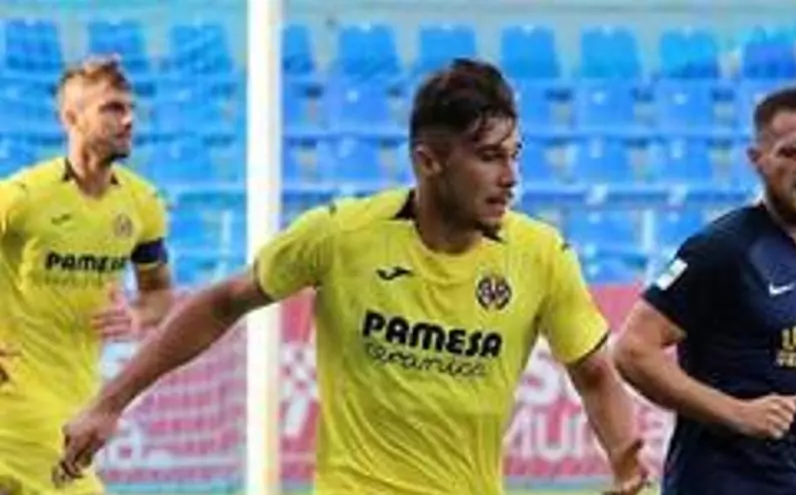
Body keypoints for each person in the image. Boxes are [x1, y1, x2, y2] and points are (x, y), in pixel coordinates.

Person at [56, 58, 649, 494]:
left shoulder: (541, 255)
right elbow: (222, 302)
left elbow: (595, 374)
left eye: (514, 154)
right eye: (489, 157)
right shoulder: (342, 236)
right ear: (429, 161)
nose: (511, 177)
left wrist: (627, 467)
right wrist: (110, 403)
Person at [612, 85, 796, 494]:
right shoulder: (724, 248)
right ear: (757, 160)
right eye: (791, 153)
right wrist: (736, 413)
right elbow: (632, 350)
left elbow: (793, 391)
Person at [0, 57, 175, 494]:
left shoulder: (143, 203)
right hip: (14, 396)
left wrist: (137, 315)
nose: (128, 120)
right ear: (71, 118)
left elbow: (159, 294)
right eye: (112, 108)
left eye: (130, 108)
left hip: (75, 396)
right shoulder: (22, 197)